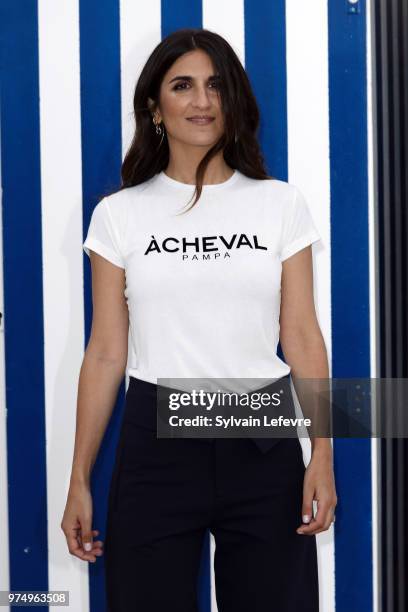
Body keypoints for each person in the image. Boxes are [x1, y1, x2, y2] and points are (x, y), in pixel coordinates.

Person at [61, 28, 337, 612]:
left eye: (215, 86)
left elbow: (304, 336)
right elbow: (106, 352)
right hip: (155, 444)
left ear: (232, 99)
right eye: (182, 86)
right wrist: (79, 477)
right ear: (155, 108)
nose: (201, 101)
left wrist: (323, 457)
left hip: (260, 434)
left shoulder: (280, 204)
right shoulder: (119, 215)